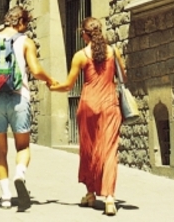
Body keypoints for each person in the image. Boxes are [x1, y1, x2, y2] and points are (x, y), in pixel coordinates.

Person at [0, 6, 56, 210]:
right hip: (19, 98)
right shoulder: (26, 42)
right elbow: (35, 70)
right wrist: (49, 80)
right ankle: (20, 174)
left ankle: (5, 196)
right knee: (23, 146)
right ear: (21, 22)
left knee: (0, 150)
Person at [49, 16, 124, 216]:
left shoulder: (80, 56)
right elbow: (123, 77)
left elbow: (68, 85)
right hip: (110, 105)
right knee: (109, 151)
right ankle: (109, 198)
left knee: (89, 149)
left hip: (88, 105)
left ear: (84, 35)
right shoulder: (113, 52)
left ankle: (90, 194)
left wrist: (52, 86)